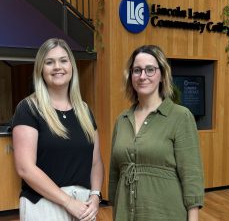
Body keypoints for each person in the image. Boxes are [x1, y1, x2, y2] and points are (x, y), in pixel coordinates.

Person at [12, 38, 104, 221]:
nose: (57, 67)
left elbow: (96, 162)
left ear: (71, 66)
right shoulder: (28, 108)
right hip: (44, 204)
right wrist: (68, 202)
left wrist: (95, 196)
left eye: (63, 60)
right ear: (41, 69)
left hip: (83, 206)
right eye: (49, 62)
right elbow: (25, 168)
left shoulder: (84, 110)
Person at [109, 45, 204, 221]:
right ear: (131, 76)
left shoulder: (181, 117)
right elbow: (115, 176)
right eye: (137, 70)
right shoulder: (122, 120)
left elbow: (192, 176)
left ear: (162, 75)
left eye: (150, 70)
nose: (143, 76)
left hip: (167, 214)